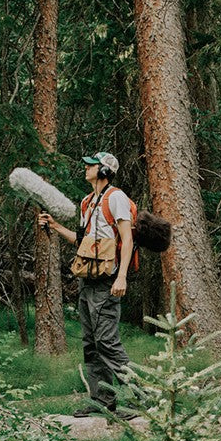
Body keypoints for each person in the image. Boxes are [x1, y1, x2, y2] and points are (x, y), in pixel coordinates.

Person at [39, 150, 135, 418]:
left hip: (107, 282)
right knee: (91, 343)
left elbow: (126, 239)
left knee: (107, 342)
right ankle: (102, 401)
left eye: (92, 165)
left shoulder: (115, 197)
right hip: (87, 282)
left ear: (104, 171)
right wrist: (55, 226)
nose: (86, 168)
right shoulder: (87, 202)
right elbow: (82, 243)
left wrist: (122, 276)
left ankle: (143, 399)